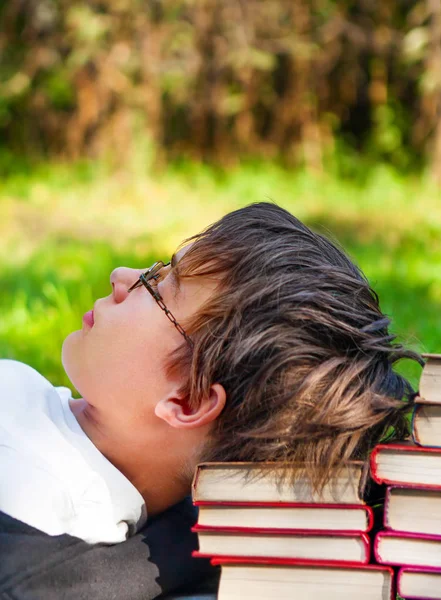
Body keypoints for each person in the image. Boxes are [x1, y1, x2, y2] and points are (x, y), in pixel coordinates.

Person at [0, 202, 421, 596]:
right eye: (156, 270)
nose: (122, 275)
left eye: (160, 290)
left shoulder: (36, 494)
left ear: (187, 401)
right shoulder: (50, 445)